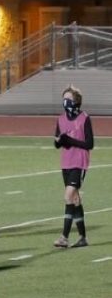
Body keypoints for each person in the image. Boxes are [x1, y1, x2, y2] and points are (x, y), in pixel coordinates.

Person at [53, 86, 93, 248]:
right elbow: (57, 143)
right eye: (64, 99)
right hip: (66, 163)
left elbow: (90, 143)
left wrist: (70, 141)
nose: (65, 102)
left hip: (79, 162)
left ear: (76, 101)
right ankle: (83, 237)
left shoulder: (84, 118)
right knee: (75, 199)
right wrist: (60, 141)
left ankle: (64, 237)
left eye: (68, 99)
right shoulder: (60, 119)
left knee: (68, 196)